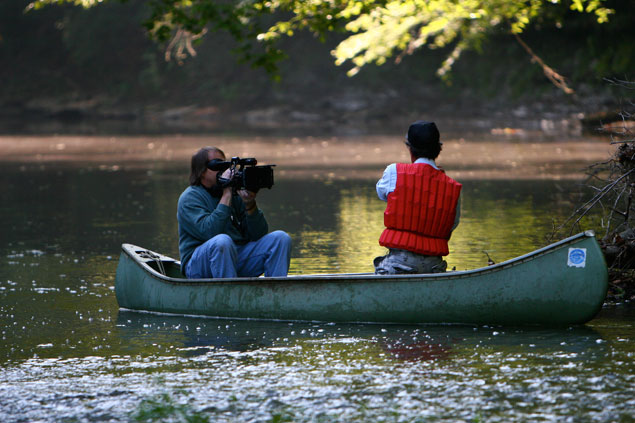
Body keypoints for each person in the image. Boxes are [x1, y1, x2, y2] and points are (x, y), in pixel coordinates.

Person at [177, 146, 292, 278]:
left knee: (281, 239)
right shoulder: (190, 198)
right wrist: (226, 194)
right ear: (201, 171)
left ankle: (275, 294)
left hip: (235, 257)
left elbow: (258, 235)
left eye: (225, 165)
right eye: (217, 166)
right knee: (222, 241)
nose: (224, 170)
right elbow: (210, 232)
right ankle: (230, 296)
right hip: (199, 265)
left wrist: (250, 204)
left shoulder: (234, 194)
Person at [374, 121, 461, 274]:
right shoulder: (453, 188)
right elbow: (452, 224)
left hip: (398, 265)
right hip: (435, 268)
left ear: (410, 148)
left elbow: (382, 194)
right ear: (438, 149)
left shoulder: (393, 171)